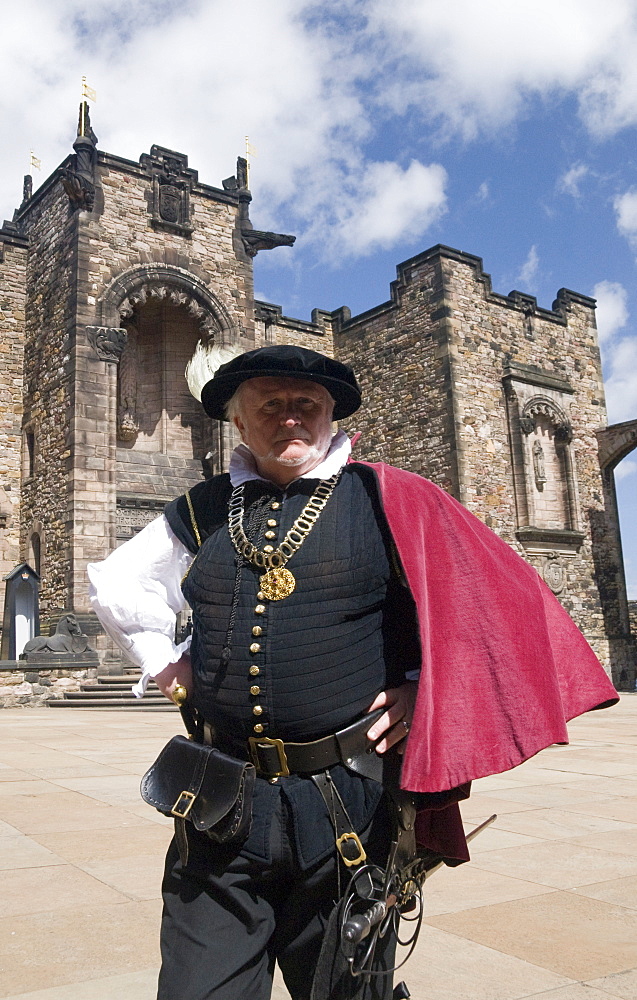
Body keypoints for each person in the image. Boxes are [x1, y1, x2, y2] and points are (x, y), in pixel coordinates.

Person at [88, 345, 617, 1000]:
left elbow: (485, 609)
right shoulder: (201, 511)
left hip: (344, 812)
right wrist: (165, 663)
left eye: (306, 406)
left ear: (330, 414)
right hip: (218, 812)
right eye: (271, 405)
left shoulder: (388, 498)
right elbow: (116, 586)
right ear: (236, 418)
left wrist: (426, 689)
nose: (290, 420)